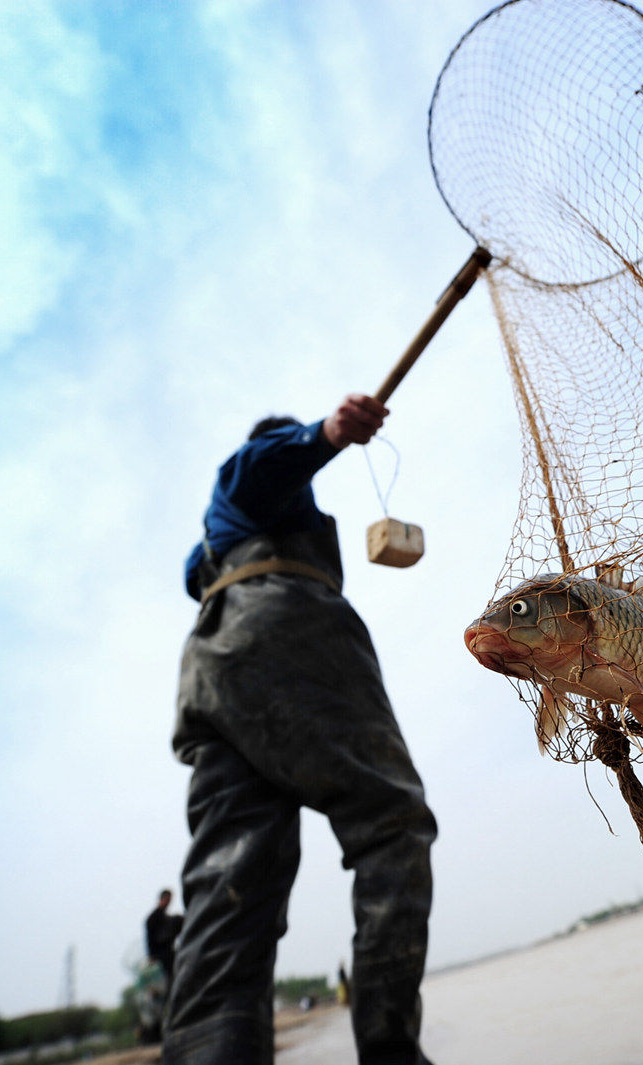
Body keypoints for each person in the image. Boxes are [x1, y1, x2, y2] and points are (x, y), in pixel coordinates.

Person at [166, 394, 438, 1065]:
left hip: (213, 670)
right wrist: (324, 433)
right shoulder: (250, 475)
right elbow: (262, 465)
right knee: (391, 823)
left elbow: (195, 568)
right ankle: (390, 1047)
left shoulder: (213, 545)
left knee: (235, 876)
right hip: (290, 635)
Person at [145, 888, 182, 986]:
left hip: (169, 951)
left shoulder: (168, 918)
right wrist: (151, 955)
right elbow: (150, 937)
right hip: (163, 953)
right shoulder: (153, 918)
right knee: (171, 977)